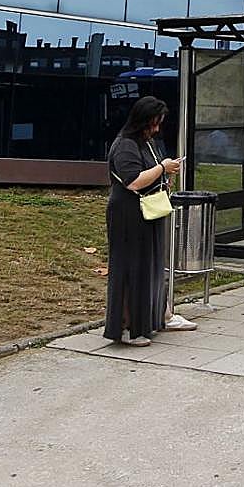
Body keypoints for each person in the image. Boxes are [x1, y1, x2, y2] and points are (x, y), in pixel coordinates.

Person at [104, 96, 193, 346]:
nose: (156, 128)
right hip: (128, 213)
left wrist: (165, 175)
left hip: (148, 210)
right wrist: (163, 168)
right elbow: (133, 180)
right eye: (153, 123)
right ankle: (129, 325)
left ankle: (158, 315)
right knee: (131, 268)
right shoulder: (125, 145)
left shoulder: (147, 143)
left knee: (151, 265)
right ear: (141, 121)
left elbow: (150, 175)